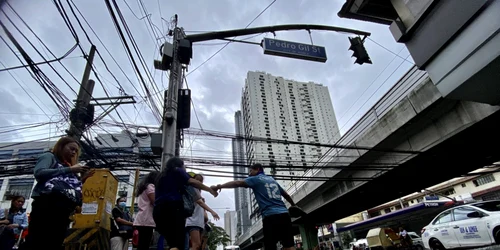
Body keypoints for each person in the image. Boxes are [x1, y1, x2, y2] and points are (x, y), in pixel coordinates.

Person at [19, 137, 94, 250]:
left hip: (64, 210)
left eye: (76, 151)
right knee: (37, 240)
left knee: (54, 242)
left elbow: (67, 186)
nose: (73, 152)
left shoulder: (69, 166)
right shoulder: (49, 156)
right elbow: (39, 173)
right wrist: (70, 170)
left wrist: (82, 179)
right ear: (61, 146)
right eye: (71, 149)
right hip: (46, 204)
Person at [211, 164, 298, 250]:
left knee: (270, 246)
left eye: (251, 171)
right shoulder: (272, 180)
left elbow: (237, 183)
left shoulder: (255, 179)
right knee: (289, 245)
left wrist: (219, 186)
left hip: (270, 216)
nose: (249, 174)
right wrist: (293, 205)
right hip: (284, 214)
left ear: (257, 169)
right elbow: (286, 195)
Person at [154, 157, 218, 250]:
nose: (185, 168)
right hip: (173, 209)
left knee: (172, 243)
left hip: (158, 212)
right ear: (180, 165)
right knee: (179, 244)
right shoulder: (177, 170)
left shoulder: (160, 176)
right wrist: (210, 190)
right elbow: (192, 182)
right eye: (184, 165)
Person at [185, 175, 220, 250]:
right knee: (196, 245)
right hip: (192, 221)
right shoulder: (192, 189)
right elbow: (199, 202)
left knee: (197, 246)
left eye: (201, 181)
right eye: (197, 180)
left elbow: (201, 206)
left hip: (198, 223)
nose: (199, 182)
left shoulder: (198, 193)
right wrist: (212, 211)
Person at [134, 171, 160, 250]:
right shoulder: (151, 186)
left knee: (142, 244)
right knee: (144, 244)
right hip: (146, 220)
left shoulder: (145, 187)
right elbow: (155, 201)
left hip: (143, 220)